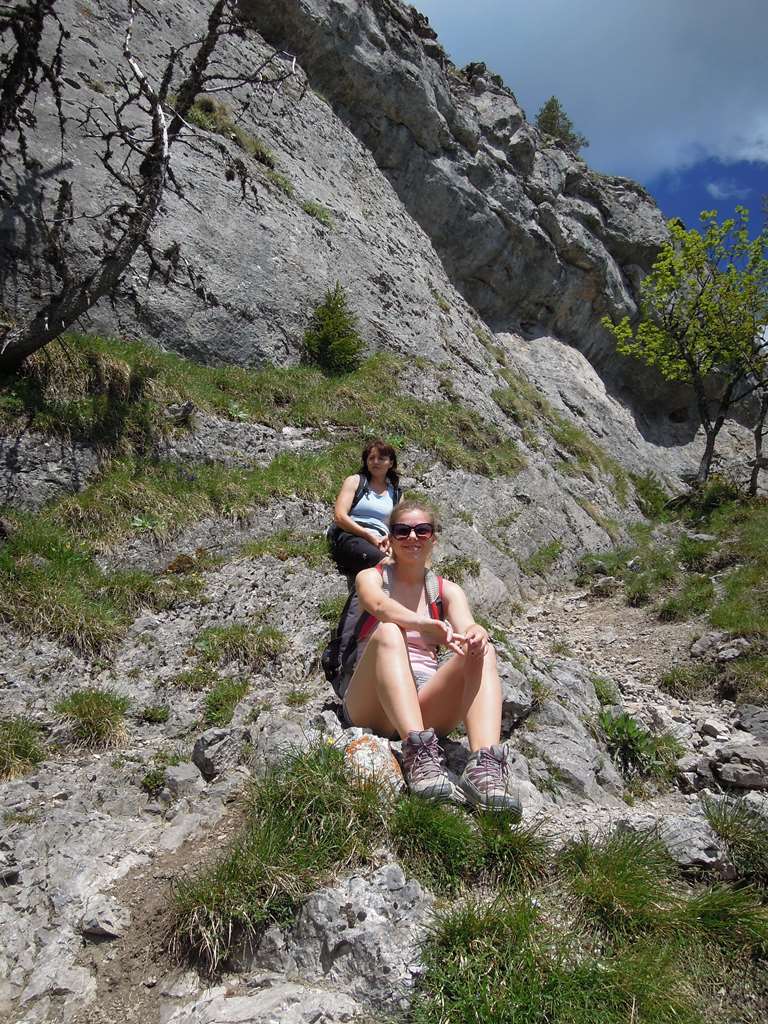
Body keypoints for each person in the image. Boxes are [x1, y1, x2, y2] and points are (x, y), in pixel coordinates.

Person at [341, 500, 519, 811]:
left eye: (422, 530)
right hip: (371, 700)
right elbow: (379, 606)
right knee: (389, 631)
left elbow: (467, 625)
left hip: (424, 700)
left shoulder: (446, 590)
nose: (413, 537)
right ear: (390, 538)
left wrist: (476, 632)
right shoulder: (372, 577)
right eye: (403, 531)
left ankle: (485, 767)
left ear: (433, 538)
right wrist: (423, 624)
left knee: (482, 650)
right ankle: (418, 756)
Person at [329, 439, 402, 578]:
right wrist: (368, 535)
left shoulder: (396, 494)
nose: (375, 462)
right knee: (388, 566)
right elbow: (339, 517)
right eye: (371, 458)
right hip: (352, 536)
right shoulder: (355, 481)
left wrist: (389, 541)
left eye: (381, 458)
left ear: (391, 463)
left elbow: (399, 527)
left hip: (382, 542)